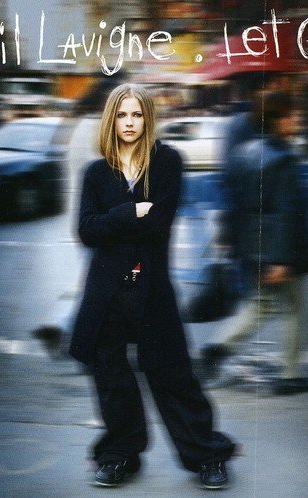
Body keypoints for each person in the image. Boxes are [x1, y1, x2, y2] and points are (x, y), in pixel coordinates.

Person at [69, 84, 236, 489]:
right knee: (111, 378)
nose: (129, 123)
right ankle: (119, 456)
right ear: (111, 120)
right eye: (122, 115)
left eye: (137, 115)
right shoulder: (96, 172)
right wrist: (129, 212)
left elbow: (158, 225)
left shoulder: (166, 162)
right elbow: (85, 231)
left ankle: (207, 455)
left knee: (173, 373)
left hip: (151, 289)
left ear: (148, 119)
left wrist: (111, 221)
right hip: (106, 291)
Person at [202, 91, 308, 395]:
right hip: (281, 252)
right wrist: (281, 260)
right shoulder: (283, 160)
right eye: (292, 114)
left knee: (260, 306)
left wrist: (235, 245)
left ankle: (217, 348)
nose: (298, 119)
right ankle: (291, 374)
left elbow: (235, 205)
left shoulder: (244, 154)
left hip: (252, 249)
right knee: (295, 308)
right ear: (277, 120)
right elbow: (285, 213)